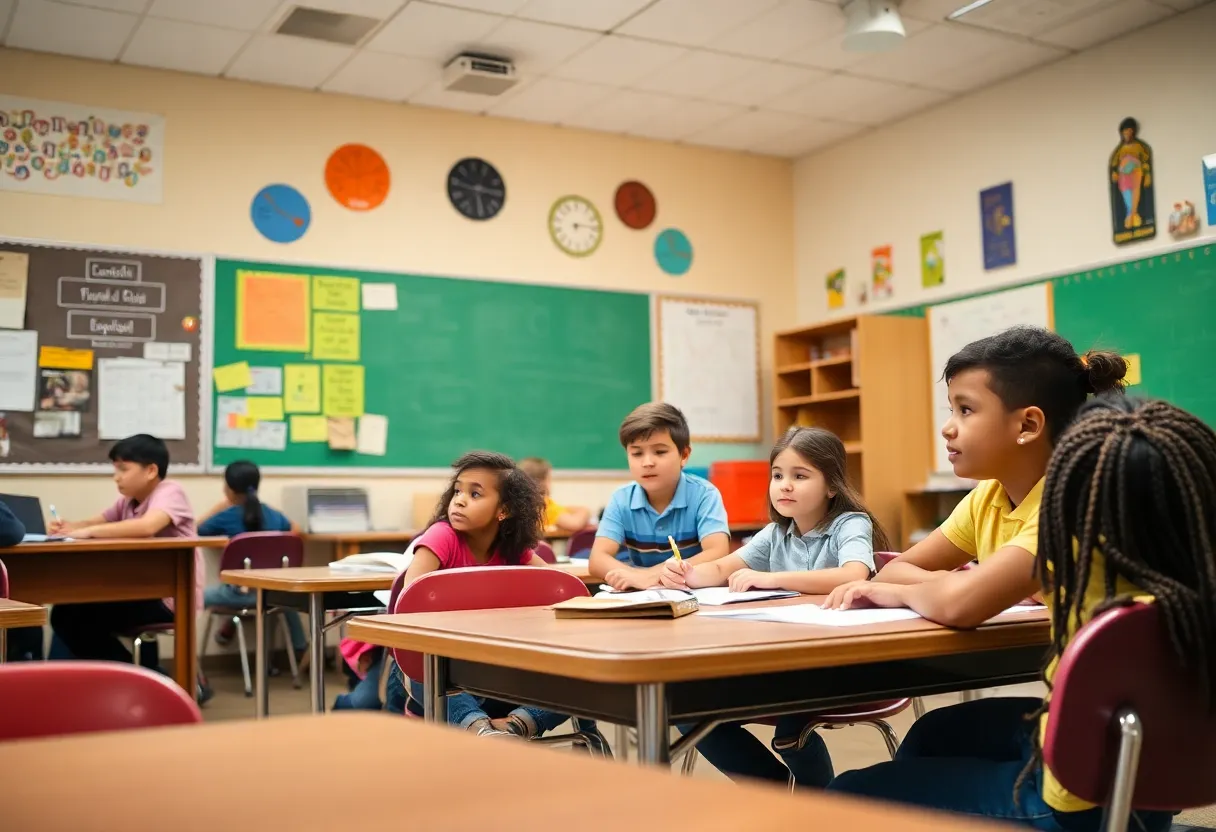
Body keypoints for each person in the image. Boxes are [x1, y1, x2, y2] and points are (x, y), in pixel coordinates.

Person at [828, 396, 1212, 832]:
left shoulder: (1070, 540)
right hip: (1149, 767)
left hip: (1073, 802)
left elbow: (959, 599)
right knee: (935, 734)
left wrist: (902, 594)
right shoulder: (1192, 572)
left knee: (844, 797)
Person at [824, 326, 1126, 627]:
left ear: (1027, 426)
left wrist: (921, 592)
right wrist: (968, 581)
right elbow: (895, 571)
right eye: (952, 409)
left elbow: (958, 607)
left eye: (965, 410)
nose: (947, 428)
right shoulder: (989, 496)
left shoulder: (1074, 501)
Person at [660, 426, 889, 787]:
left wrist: (773, 578)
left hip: (839, 664)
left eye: (800, 476)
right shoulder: (776, 533)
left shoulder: (850, 524)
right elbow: (721, 568)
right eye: (778, 475)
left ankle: (820, 808)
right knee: (687, 711)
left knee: (790, 732)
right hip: (782, 662)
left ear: (832, 486)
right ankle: (772, 789)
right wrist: (687, 573)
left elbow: (854, 574)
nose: (785, 485)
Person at [390, 450, 602, 743]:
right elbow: (412, 599)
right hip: (445, 668)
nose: (460, 500)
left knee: (585, 676)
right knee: (427, 671)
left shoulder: (514, 549)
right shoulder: (442, 536)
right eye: (457, 491)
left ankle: (516, 725)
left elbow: (558, 588)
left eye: (475, 494)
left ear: (504, 511)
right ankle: (478, 728)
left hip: (499, 669)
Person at [48, 434, 198, 671]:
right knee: (68, 611)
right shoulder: (127, 501)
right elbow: (92, 522)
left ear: (150, 470)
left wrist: (89, 532)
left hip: (172, 597)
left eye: (123, 469)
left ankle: (140, 677)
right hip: (141, 591)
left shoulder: (170, 491)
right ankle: (140, 674)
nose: (116, 477)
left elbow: (147, 526)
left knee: (70, 616)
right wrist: (69, 527)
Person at [589, 402, 730, 590]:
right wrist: (636, 577)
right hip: (643, 598)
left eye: (660, 452)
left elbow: (718, 552)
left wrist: (653, 575)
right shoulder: (621, 499)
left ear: (684, 455)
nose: (647, 462)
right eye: (637, 453)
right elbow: (597, 560)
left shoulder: (704, 494)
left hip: (694, 592)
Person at [197, 460, 307, 658]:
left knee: (196, 596)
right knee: (286, 600)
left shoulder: (227, 515)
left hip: (239, 594)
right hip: (273, 593)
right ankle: (301, 648)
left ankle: (192, 662)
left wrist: (221, 514)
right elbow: (295, 531)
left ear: (228, 489)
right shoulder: (271, 514)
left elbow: (195, 530)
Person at [518, 457, 591, 533]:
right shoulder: (545, 506)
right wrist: (585, 511)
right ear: (543, 482)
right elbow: (575, 523)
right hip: (540, 545)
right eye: (549, 478)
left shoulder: (516, 504)